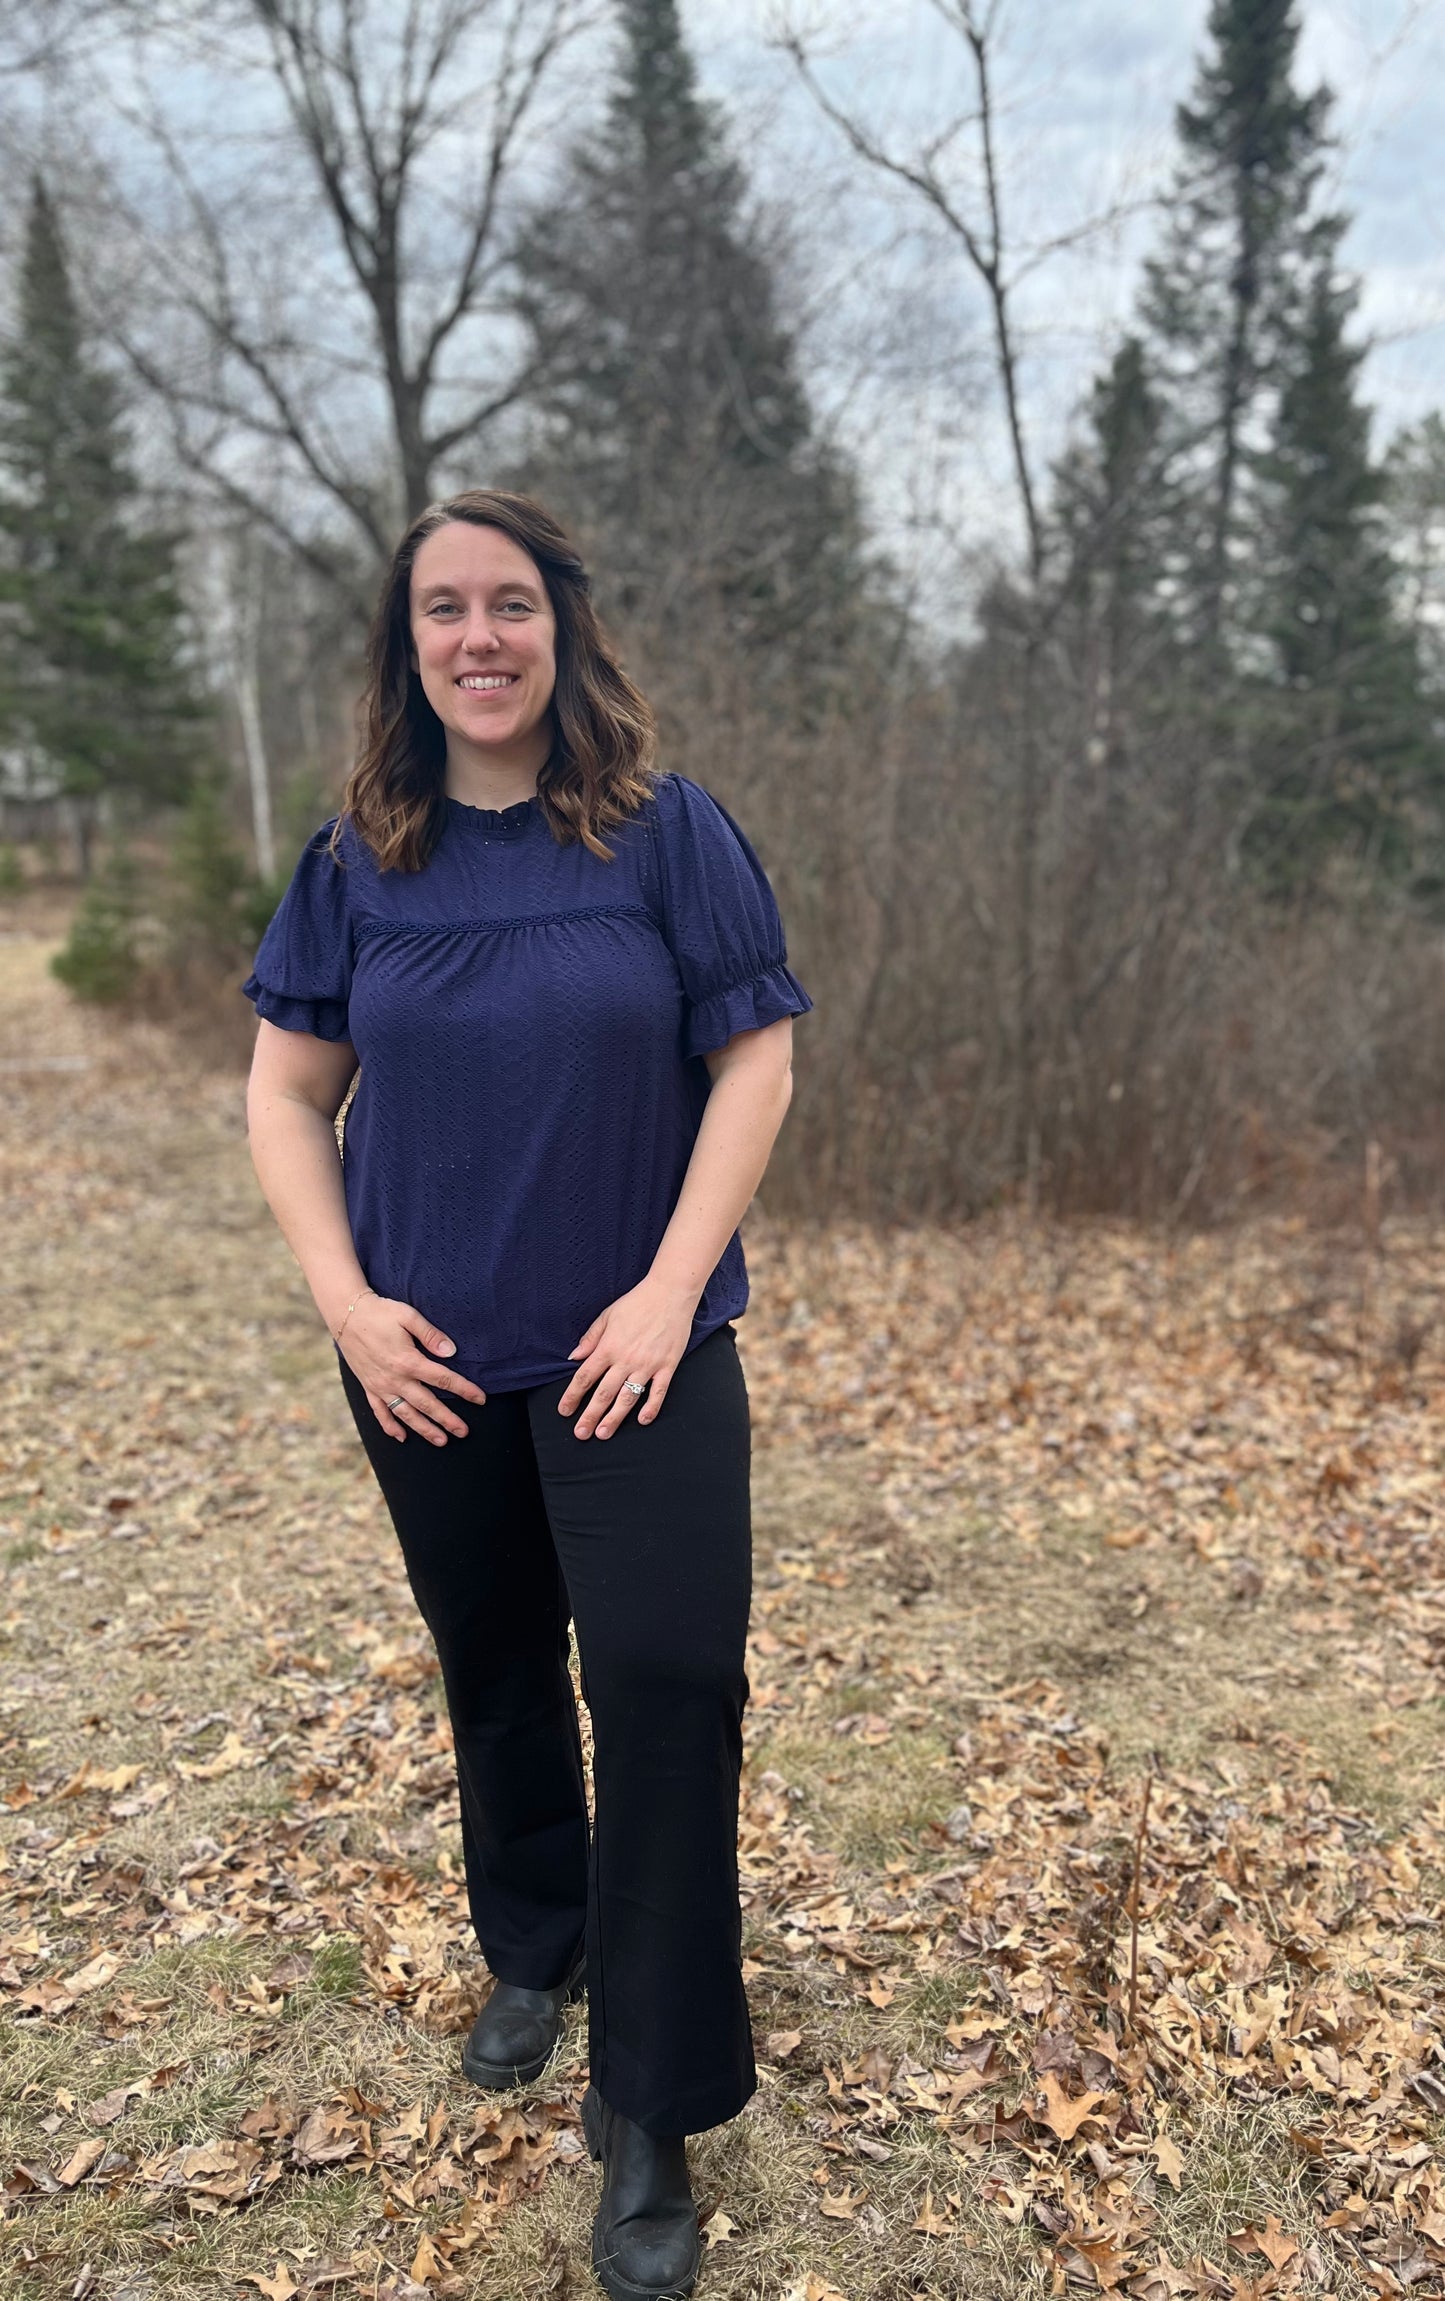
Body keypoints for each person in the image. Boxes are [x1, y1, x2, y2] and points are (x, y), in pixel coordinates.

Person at [241, 489, 812, 2301]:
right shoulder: (358, 859)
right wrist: (346, 1305)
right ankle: (537, 1938)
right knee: (494, 1660)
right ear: (405, 647)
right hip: (428, 1368)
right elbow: (282, 1093)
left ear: (560, 626)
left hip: (639, 1360)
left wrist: (661, 1292)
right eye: (441, 612)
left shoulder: (663, 834)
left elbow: (756, 1056)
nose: (476, 638)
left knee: (660, 1684)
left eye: (508, 605)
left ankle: (648, 2102)